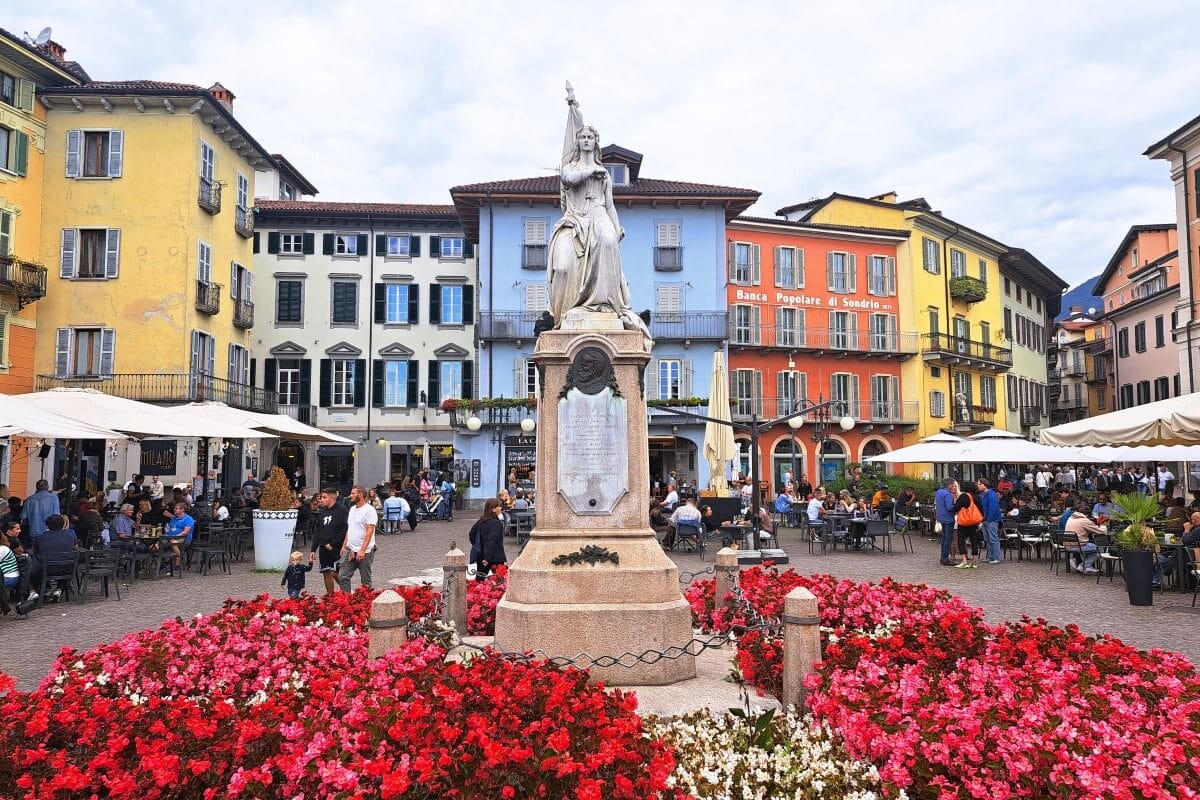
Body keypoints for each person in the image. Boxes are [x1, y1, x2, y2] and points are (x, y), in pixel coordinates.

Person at [338, 485, 378, 592]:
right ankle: (346, 601)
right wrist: (344, 545)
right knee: (342, 576)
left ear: (360, 494)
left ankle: (366, 603)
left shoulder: (369, 510)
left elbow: (369, 531)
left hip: (365, 552)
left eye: (353, 493)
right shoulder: (352, 509)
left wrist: (362, 550)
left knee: (366, 581)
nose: (350, 496)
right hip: (352, 550)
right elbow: (350, 528)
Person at [311, 487, 348, 595]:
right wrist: (313, 549)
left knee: (334, 572)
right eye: (321, 497)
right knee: (326, 572)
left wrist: (333, 544)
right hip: (323, 546)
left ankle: (347, 592)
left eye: (324, 497)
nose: (321, 499)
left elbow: (344, 529)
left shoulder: (342, 510)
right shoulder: (322, 511)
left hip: (335, 547)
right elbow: (318, 530)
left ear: (332, 498)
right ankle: (330, 597)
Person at [468, 498, 507, 580]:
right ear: (493, 509)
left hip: (481, 555)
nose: (500, 508)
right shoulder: (495, 523)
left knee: (479, 581)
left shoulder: (481, 521)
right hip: (494, 556)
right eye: (498, 506)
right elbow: (491, 541)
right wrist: (487, 557)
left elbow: (472, 534)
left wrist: (478, 546)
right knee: (500, 582)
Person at [952, 483, 982, 568]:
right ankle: (974, 561)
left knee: (961, 540)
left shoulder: (963, 496)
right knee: (974, 541)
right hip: (974, 522)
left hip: (963, 522)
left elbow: (956, 508)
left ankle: (964, 561)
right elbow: (981, 509)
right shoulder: (977, 496)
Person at [976, 478, 1003, 564]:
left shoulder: (991, 494)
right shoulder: (984, 494)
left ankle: (996, 557)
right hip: (986, 519)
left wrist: (988, 518)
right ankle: (990, 556)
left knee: (993, 538)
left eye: (980, 484)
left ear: (985, 484)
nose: (978, 486)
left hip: (991, 519)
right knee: (987, 539)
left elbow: (993, 508)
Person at [163, 503, 195, 571]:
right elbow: (170, 528)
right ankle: (162, 563)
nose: (174, 509)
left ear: (182, 510)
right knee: (156, 545)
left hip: (184, 539)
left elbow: (185, 532)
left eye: (176, 508)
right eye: (174, 508)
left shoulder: (188, 519)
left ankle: (177, 565)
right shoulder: (174, 518)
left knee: (173, 542)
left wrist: (175, 536)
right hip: (170, 537)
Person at [935, 478, 957, 567]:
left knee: (944, 538)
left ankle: (943, 557)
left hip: (941, 517)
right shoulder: (948, 494)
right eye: (953, 484)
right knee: (948, 538)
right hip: (948, 518)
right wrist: (956, 503)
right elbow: (950, 507)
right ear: (949, 485)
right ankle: (945, 558)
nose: (954, 486)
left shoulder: (939, 492)